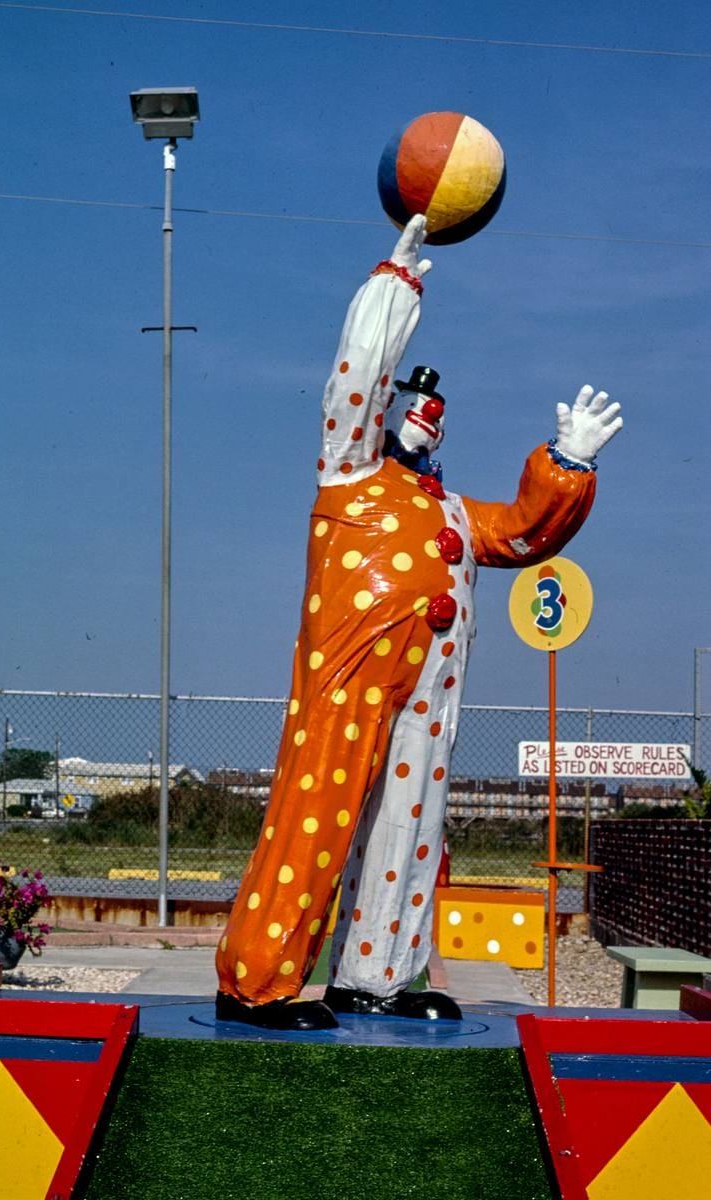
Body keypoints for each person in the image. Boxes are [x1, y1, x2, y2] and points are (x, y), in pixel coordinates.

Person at [215, 214, 622, 1030]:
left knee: (411, 824)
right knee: (315, 813)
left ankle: (379, 975)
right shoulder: (350, 472)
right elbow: (355, 383)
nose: (428, 409)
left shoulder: (451, 509)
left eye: (436, 404)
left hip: (429, 692)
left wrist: (567, 463)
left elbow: (519, 530)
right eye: (413, 397)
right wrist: (391, 295)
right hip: (348, 678)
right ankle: (256, 978)